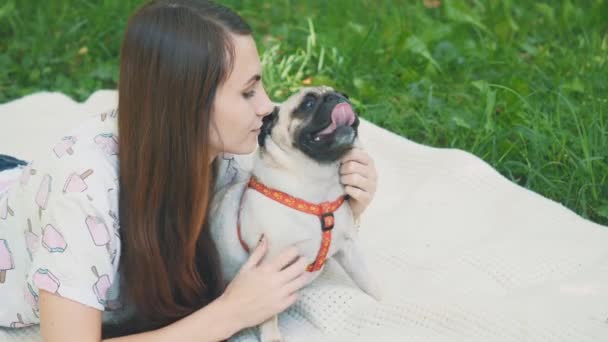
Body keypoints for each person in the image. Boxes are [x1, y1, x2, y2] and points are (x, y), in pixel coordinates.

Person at [0, 0, 378, 341]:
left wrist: (341, 207)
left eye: (261, 85)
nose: (267, 107)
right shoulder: (85, 199)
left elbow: (283, 228)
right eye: (247, 93)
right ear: (186, 107)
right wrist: (230, 313)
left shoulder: (229, 149)